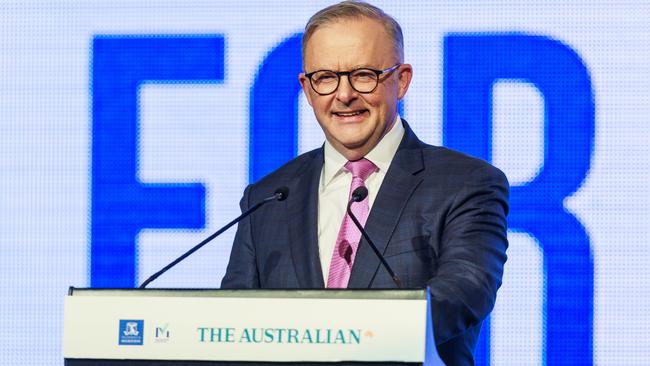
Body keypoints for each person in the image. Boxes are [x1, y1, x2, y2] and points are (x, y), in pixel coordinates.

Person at [222, 1, 509, 364]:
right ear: (307, 89)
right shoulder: (268, 197)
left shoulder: (466, 184)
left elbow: (465, 292)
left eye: (363, 74)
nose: (344, 95)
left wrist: (346, 333)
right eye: (325, 78)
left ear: (401, 80)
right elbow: (232, 320)